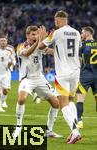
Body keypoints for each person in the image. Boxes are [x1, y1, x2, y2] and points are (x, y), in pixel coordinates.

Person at [38, 10, 82, 144]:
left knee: (62, 104)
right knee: (70, 100)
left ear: (59, 20)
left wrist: (42, 37)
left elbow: (40, 46)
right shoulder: (76, 32)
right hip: (75, 71)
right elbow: (62, 51)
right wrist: (49, 50)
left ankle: (75, 131)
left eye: (56, 20)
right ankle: (75, 128)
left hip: (63, 73)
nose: (55, 22)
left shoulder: (56, 33)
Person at [13, 25, 59, 139]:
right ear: (27, 35)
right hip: (27, 79)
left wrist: (57, 45)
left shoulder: (39, 45)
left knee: (56, 103)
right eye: (33, 34)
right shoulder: (20, 46)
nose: (35, 36)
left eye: (37, 34)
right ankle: (18, 126)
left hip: (40, 78)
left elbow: (49, 51)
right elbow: (27, 53)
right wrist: (38, 41)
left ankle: (49, 130)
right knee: (21, 98)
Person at [76, 26, 97, 129]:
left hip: (85, 75)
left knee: (80, 99)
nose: (81, 35)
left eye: (82, 32)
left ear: (88, 33)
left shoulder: (83, 46)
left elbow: (79, 61)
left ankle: (79, 121)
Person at [0, 35, 15, 112]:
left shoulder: (10, 50)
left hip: (6, 73)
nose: (3, 42)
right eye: (1, 40)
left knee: (5, 91)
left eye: (4, 40)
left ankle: (2, 102)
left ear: (6, 42)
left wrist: (11, 63)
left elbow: (14, 61)